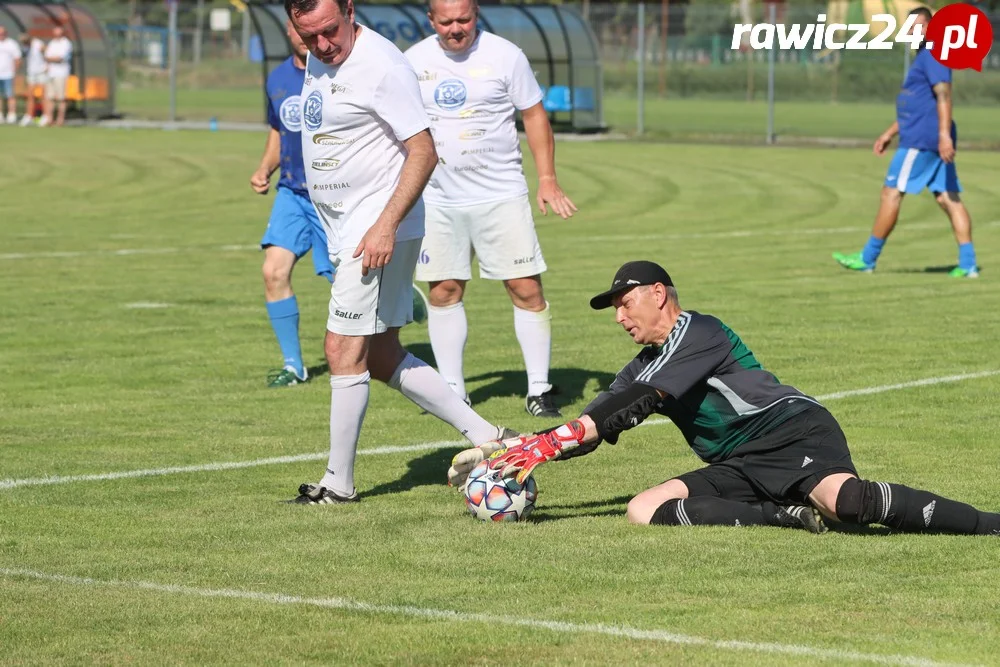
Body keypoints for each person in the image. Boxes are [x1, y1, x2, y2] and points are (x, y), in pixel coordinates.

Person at [450, 260, 1000, 537]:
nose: (619, 317)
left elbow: (638, 400)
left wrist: (546, 445)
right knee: (645, 510)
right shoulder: (643, 365)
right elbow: (600, 422)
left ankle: (986, 524)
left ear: (658, 294)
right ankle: (784, 516)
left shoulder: (699, 330)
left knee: (848, 505)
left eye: (624, 304)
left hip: (793, 432)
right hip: (740, 463)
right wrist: (519, 447)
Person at [284, 0, 517, 504]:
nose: (323, 45)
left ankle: (338, 485)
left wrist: (384, 226)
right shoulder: (321, 58)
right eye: (309, 38)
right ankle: (489, 437)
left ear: (349, 9)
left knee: (341, 349)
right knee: (383, 353)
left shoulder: (382, 65)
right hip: (350, 228)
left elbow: (424, 149)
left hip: (375, 231)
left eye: (329, 31)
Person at [405, 0, 578, 418]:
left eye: (464, 19)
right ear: (431, 21)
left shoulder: (505, 55)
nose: (456, 28)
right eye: (446, 22)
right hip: (438, 200)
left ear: (476, 15)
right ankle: (452, 392)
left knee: (525, 288)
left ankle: (539, 388)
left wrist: (548, 178)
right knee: (443, 291)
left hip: (501, 196)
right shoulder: (411, 62)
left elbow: (534, 116)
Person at [833, 7, 978, 278]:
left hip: (923, 141)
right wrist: (889, 133)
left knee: (891, 192)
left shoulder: (934, 53)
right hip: (928, 135)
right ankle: (969, 264)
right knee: (948, 198)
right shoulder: (926, 55)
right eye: (908, 27)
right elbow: (921, 105)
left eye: (917, 27)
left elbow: (944, 96)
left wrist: (944, 135)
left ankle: (867, 258)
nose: (910, 32)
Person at [251, 21, 336, 388]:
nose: (307, 39)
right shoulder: (277, 78)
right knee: (273, 271)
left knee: (348, 281)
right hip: (291, 192)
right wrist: (264, 167)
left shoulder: (337, 73)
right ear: (289, 31)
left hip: (332, 193)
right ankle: (294, 366)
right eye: (299, 32)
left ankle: (398, 306)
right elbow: (278, 130)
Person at [41, 26, 71, 127]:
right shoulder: (52, 43)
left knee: (61, 98)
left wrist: (50, 59)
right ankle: (50, 119)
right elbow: (47, 57)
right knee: (49, 97)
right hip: (50, 74)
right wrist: (48, 61)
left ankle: (60, 119)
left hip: (61, 73)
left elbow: (60, 58)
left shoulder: (66, 43)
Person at [18, 33, 47, 126]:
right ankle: (29, 116)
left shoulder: (38, 44)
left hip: (41, 72)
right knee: (30, 95)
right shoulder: (25, 46)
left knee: (43, 95)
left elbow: (47, 54)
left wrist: (47, 66)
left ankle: (45, 116)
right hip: (31, 72)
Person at [0, 26, 21, 124]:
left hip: (8, 74)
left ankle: (11, 115)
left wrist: (14, 72)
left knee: (10, 95)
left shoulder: (11, 44)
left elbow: (17, 59)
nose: (1, 35)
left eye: (3, 33)